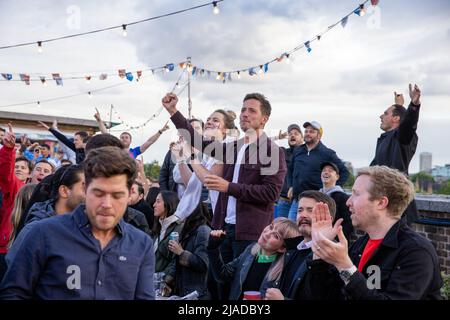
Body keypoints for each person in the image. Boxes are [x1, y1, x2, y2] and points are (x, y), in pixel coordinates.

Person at [0, 146, 155, 299]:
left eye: (117, 195)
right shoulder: (42, 234)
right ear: (85, 189)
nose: (107, 204)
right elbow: (13, 293)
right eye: (98, 193)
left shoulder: (141, 245)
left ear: (130, 195)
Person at [162, 92, 286, 261]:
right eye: (243, 110)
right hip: (222, 229)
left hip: (250, 233)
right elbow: (197, 141)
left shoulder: (272, 150)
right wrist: (173, 111)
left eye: (252, 110)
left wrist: (228, 187)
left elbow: (271, 193)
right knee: (219, 284)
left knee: (241, 285)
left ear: (264, 118)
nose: (245, 114)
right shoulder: (233, 147)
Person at [305, 165, 443, 300]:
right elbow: (326, 295)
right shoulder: (360, 245)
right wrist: (320, 248)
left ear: (381, 203)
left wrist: (344, 266)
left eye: (356, 194)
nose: (348, 202)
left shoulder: (416, 252)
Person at [0, 124, 54, 279]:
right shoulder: (19, 189)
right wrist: (9, 150)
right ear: (32, 173)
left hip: (39, 252)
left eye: (46, 171)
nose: (41, 173)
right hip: (9, 250)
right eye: (38, 169)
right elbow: (5, 174)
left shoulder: (56, 197)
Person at [265, 191, 338, 300]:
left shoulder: (333, 255)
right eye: (300, 210)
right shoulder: (290, 247)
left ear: (328, 219)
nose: (303, 215)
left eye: (310, 210)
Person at [208, 218, 300, 300]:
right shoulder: (250, 251)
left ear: (282, 248)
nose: (267, 233)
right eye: (271, 227)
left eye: (276, 236)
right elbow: (223, 275)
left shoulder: (284, 271)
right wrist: (213, 248)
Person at [370, 84, 422, 224]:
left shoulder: (403, 137)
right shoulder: (385, 139)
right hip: (383, 203)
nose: (381, 116)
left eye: (385, 113)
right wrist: (398, 105)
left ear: (396, 119)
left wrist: (414, 104)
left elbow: (408, 123)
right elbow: (372, 170)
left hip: (398, 206)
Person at [287, 121, 348, 222]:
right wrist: (291, 186)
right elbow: (290, 170)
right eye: (306, 131)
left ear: (319, 135)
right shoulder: (298, 150)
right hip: (297, 201)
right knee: (291, 233)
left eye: (311, 131)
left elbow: (344, 172)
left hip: (315, 203)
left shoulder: (327, 153)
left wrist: (331, 189)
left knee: (310, 233)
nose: (308, 133)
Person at [164, 202, 211, 299]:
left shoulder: (203, 231)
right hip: (182, 292)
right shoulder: (187, 230)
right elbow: (176, 262)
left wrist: (181, 252)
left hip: (197, 294)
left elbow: (203, 263)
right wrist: (167, 282)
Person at [94, 108, 170, 159]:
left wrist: (160, 131)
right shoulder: (115, 148)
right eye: (122, 137)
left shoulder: (134, 151)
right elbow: (106, 134)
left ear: (130, 141)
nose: (124, 139)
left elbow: (149, 142)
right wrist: (99, 120)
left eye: (126, 137)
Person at [319, 161, 354, 241]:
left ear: (337, 177)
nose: (326, 172)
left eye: (330, 171)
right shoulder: (316, 196)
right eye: (324, 170)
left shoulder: (342, 197)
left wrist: (336, 238)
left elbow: (349, 222)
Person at [275, 124, 304, 219]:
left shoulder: (308, 154)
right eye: (290, 134)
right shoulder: (282, 152)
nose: (292, 135)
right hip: (283, 201)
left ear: (302, 138)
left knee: (295, 231)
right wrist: (277, 137)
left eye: (296, 133)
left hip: (301, 201)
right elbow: (260, 145)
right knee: (281, 230)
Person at [152, 190, 183, 275]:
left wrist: (165, 279)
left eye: (158, 201)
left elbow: (175, 260)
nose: (154, 205)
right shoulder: (159, 225)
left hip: (163, 281)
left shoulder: (178, 227)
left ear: (168, 204)